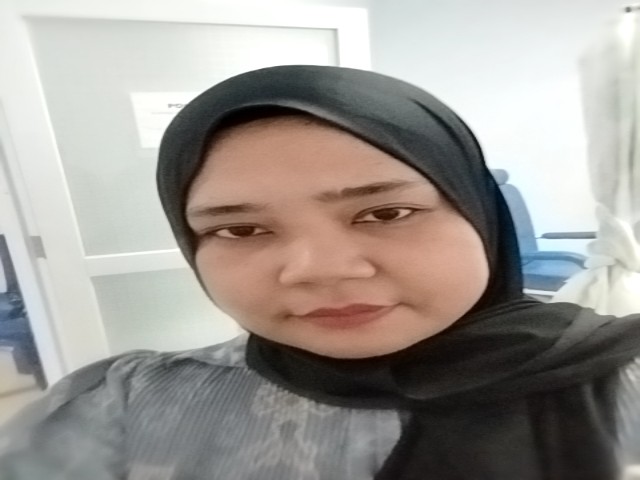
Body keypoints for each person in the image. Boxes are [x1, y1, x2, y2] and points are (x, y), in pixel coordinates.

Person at [1, 65, 640, 480]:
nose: (319, 270)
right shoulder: (123, 405)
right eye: (240, 230)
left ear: (479, 214)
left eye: (385, 213)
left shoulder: (623, 385)